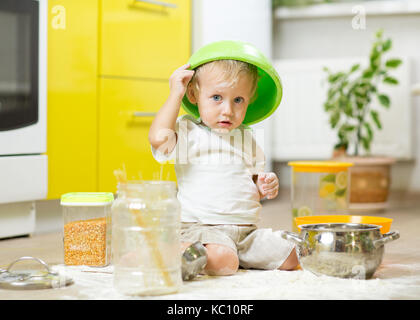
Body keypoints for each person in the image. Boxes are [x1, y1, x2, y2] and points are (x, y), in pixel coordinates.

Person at [148, 58, 298, 279]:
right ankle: (177, 250)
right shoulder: (190, 132)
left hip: (247, 233)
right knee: (223, 260)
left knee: (291, 255)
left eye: (238, 100)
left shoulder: (248, 138)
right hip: (204, 229)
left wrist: (264, 184)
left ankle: (225, 256)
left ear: (249, 101)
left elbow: (253, 182)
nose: (227, 110)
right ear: (193, 96)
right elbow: (158, 139)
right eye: (216, 97)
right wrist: (174, 95)